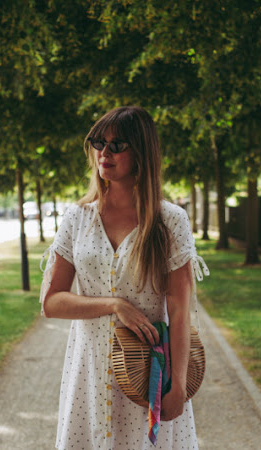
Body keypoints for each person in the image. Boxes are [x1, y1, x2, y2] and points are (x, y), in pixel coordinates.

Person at [40, 106, 209, 449]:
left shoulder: (169, 221)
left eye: (118, 145)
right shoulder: (77, 218)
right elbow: (51, 302)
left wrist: (177, 386)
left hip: (149, 374)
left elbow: (179, 309)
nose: (104, 152)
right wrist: (114, 304)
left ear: (142, 153)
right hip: (89, 369)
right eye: (99, 142)